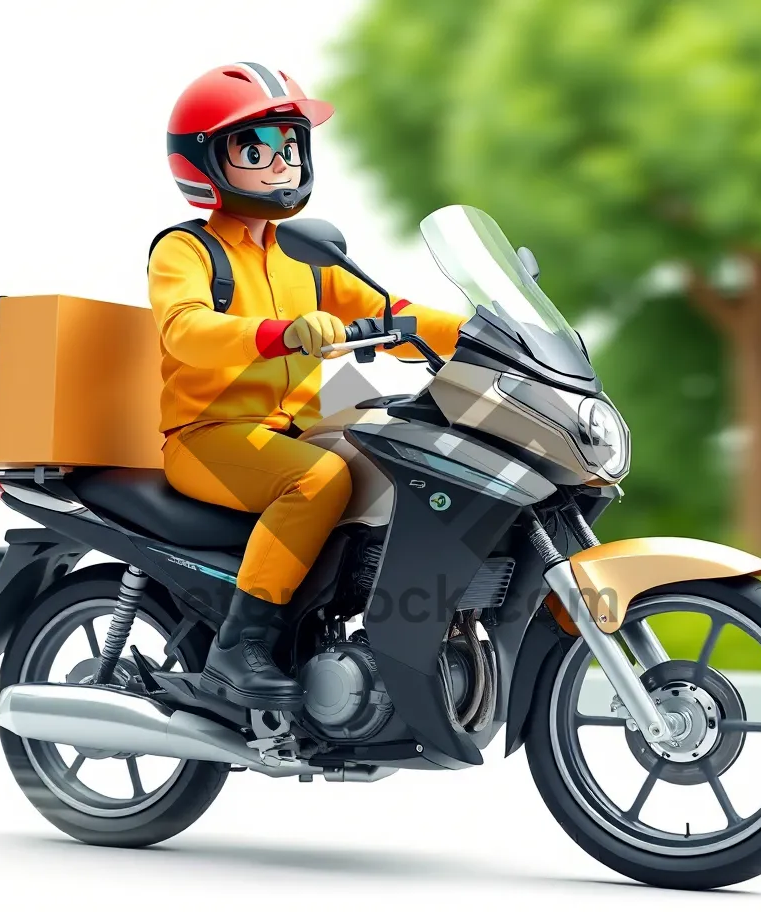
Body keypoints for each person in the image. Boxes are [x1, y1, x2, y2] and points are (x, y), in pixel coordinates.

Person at [148, 62, 466, 710]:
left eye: (290, 144)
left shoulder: (302, 253)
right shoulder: (186, 250)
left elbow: (393, 312)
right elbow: (184, 329)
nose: (281, 163)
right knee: (317, 481)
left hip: (298, 421)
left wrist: (486, 333)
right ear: (205, 161)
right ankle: (237, 652)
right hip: (210, 434)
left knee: (406, 450)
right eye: (256, 148)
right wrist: (278, 334)